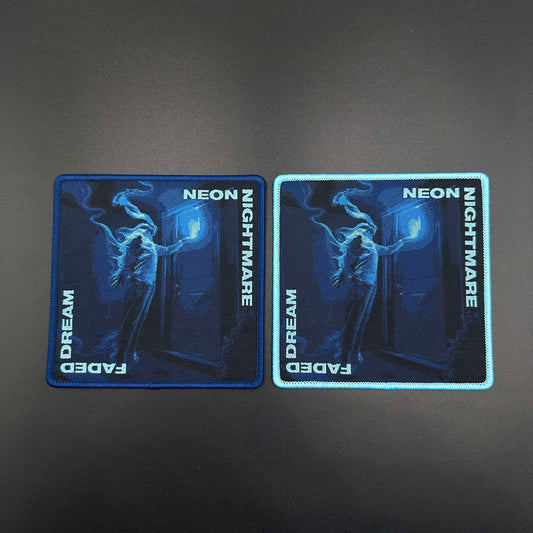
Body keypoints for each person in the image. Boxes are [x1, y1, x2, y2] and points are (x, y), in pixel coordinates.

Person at [331, 193, 410, 367]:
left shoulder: (372, 245)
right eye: (369, 229)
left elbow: (388, 250)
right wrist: (343, 272)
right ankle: (344, 356)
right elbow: (347, 258)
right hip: (361, 285)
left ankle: (353, 352)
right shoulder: (359, 241)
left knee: (363, 319)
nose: (373, 231)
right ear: (364, 229)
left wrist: (402, 241)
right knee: (355, 320)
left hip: (370, 286)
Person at [109, 219, 200, 365]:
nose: (151, 234)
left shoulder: (152, 246)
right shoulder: (138, 240)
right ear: (142, 230)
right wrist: (125, 273)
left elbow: (168, 250)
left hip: (149, 287)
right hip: (139, 285)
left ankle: (130, 352)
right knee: (132, 321)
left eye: (152, 232)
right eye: (149, 231)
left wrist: (182, 241)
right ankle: (119, 357)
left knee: (140, 320)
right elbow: (127, 257)